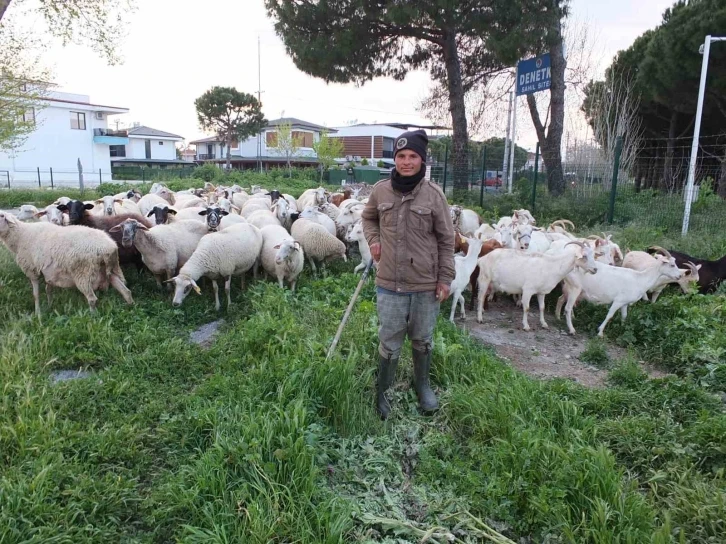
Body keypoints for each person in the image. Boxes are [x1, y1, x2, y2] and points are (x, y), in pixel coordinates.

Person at [362, 129, 455, 419]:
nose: (406, 161)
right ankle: (384, 391)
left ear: (422, 160)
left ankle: (423, 385)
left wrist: (445, 278)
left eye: (412, 156)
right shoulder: (380, 191)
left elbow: (446, 239)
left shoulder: (434, 195)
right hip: (389, 282)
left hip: (425, 283)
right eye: (401, 156)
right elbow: (368, 217)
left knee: (422, 338)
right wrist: (374, 239)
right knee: (389, 339)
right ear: (395, 159)